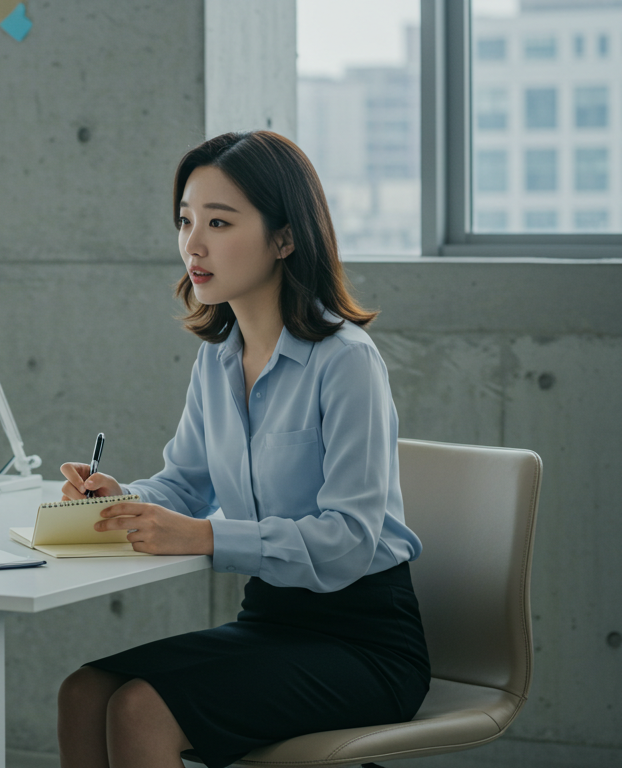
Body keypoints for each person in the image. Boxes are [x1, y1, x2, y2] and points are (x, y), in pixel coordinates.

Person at [55, 131, 430, 768]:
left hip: (366, 642)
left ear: (285, 239)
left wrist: (204, 536)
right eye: (185, 221)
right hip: (271, 620)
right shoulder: (217, 361)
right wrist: (120, 499)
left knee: (140, 708)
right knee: (84, 693)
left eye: (219, 222)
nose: (193, 245)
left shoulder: (346, 362)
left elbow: (348, 539)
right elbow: (183, 484)